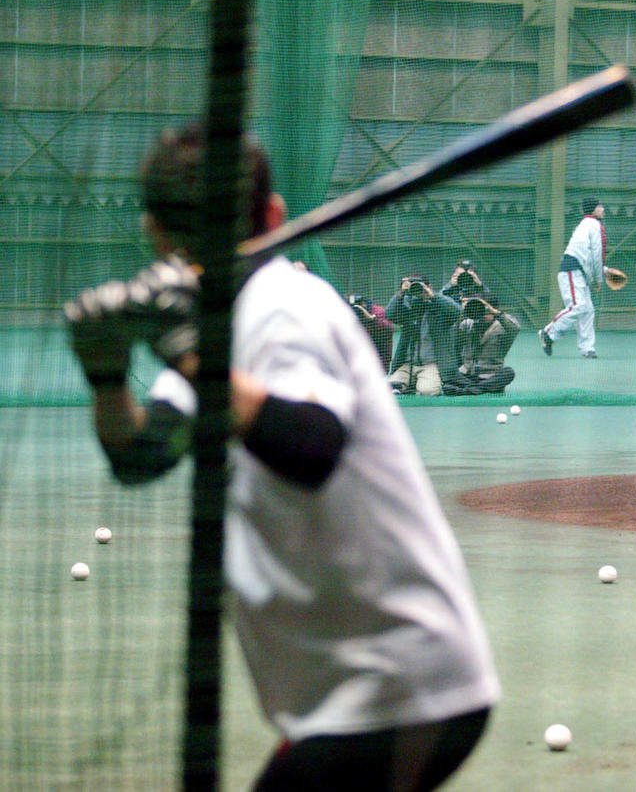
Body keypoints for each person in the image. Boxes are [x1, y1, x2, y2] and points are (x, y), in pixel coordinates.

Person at [62, 125, 499, 790]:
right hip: (355, 693)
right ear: (272, 215)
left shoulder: (286, 307)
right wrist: (105, 376)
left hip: (400, 688)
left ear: (153, 230)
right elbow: (144, 454)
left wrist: (186, 348)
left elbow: (311, 445)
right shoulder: (221, 316)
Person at [539, 197, 609, 359]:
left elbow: (590, 256)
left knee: (587, 310)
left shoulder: (587, 225)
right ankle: (548, 333)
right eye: (600, 206)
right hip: (572, 271)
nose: (603, 208)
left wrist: (604, 271)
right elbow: (597, 254)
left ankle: (587, 348)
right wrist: (599, 279)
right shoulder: (594, 225)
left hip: (578, 272)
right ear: (593, 209)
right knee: (578, 307)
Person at [386, 274, 461, 395]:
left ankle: (423, 383)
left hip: (430, 364)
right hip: (407, 364)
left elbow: (457, 311)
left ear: (429, 286)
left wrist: (432, 295)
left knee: (428, 391)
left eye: (420, 286)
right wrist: (400, 294)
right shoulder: (407, 309)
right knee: (387, 389)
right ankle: (408, 385)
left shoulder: (440, 309)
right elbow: (389, 315)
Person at [448, 294, 520, 394]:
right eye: (481, 310)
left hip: (490, 376)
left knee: (508, 372)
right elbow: (452, 333)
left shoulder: (502, 326)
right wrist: (463, 312)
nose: (484, 314)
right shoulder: (467, 324)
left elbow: (515, 328)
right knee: (448, 379)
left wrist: (495, 312)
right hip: (466, 374)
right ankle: (478, 389)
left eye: (486, 310)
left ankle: (469, 390)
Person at [347, 293, 395, 373]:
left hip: (380, 355)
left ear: (364, 303)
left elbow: (389, 328)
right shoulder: (348, 313)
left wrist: (370, 318)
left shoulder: (377, 310)